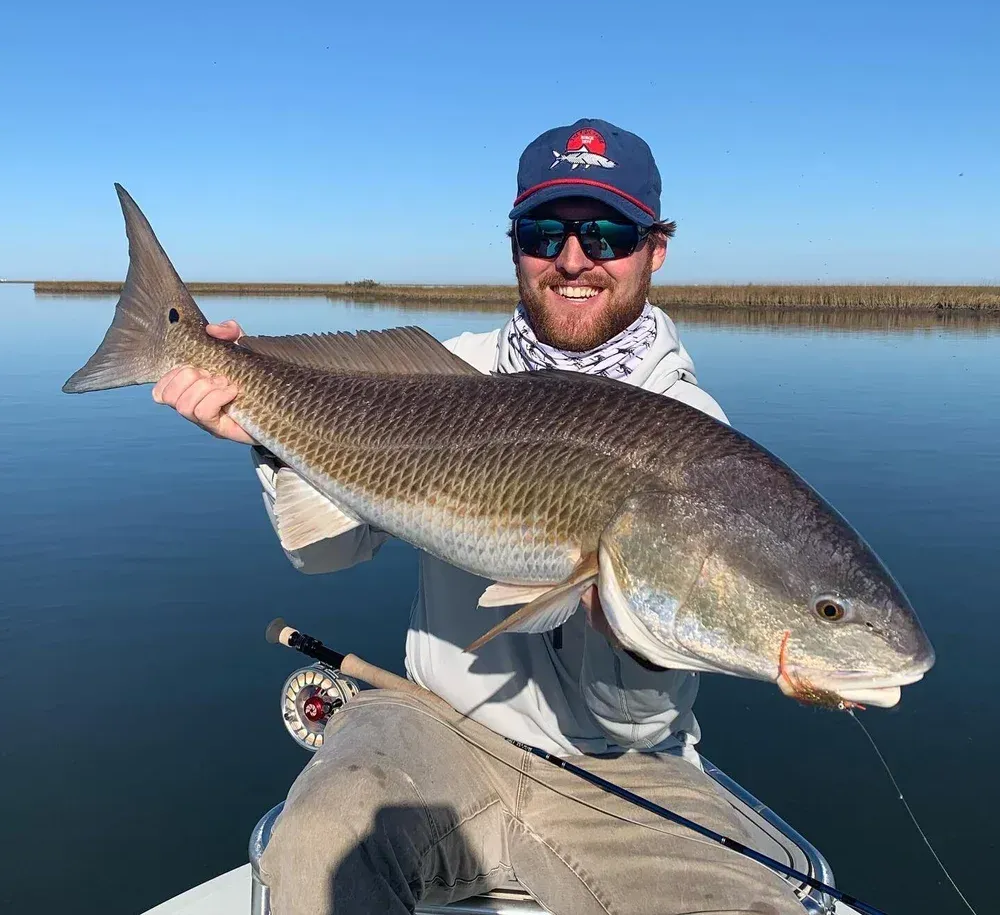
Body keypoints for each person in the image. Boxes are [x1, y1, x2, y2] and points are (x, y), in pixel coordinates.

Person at [153, 120, 803, 915]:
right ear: (515, 245)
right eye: (544, 232)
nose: (574, 258)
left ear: (655, 249)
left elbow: (635, 725)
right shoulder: (448, 372)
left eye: (608, 233)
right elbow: (325, 551)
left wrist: (643, 645)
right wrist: (263, 423)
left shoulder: (693, 436)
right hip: (436, 727)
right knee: (319, 838)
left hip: (630, 773)